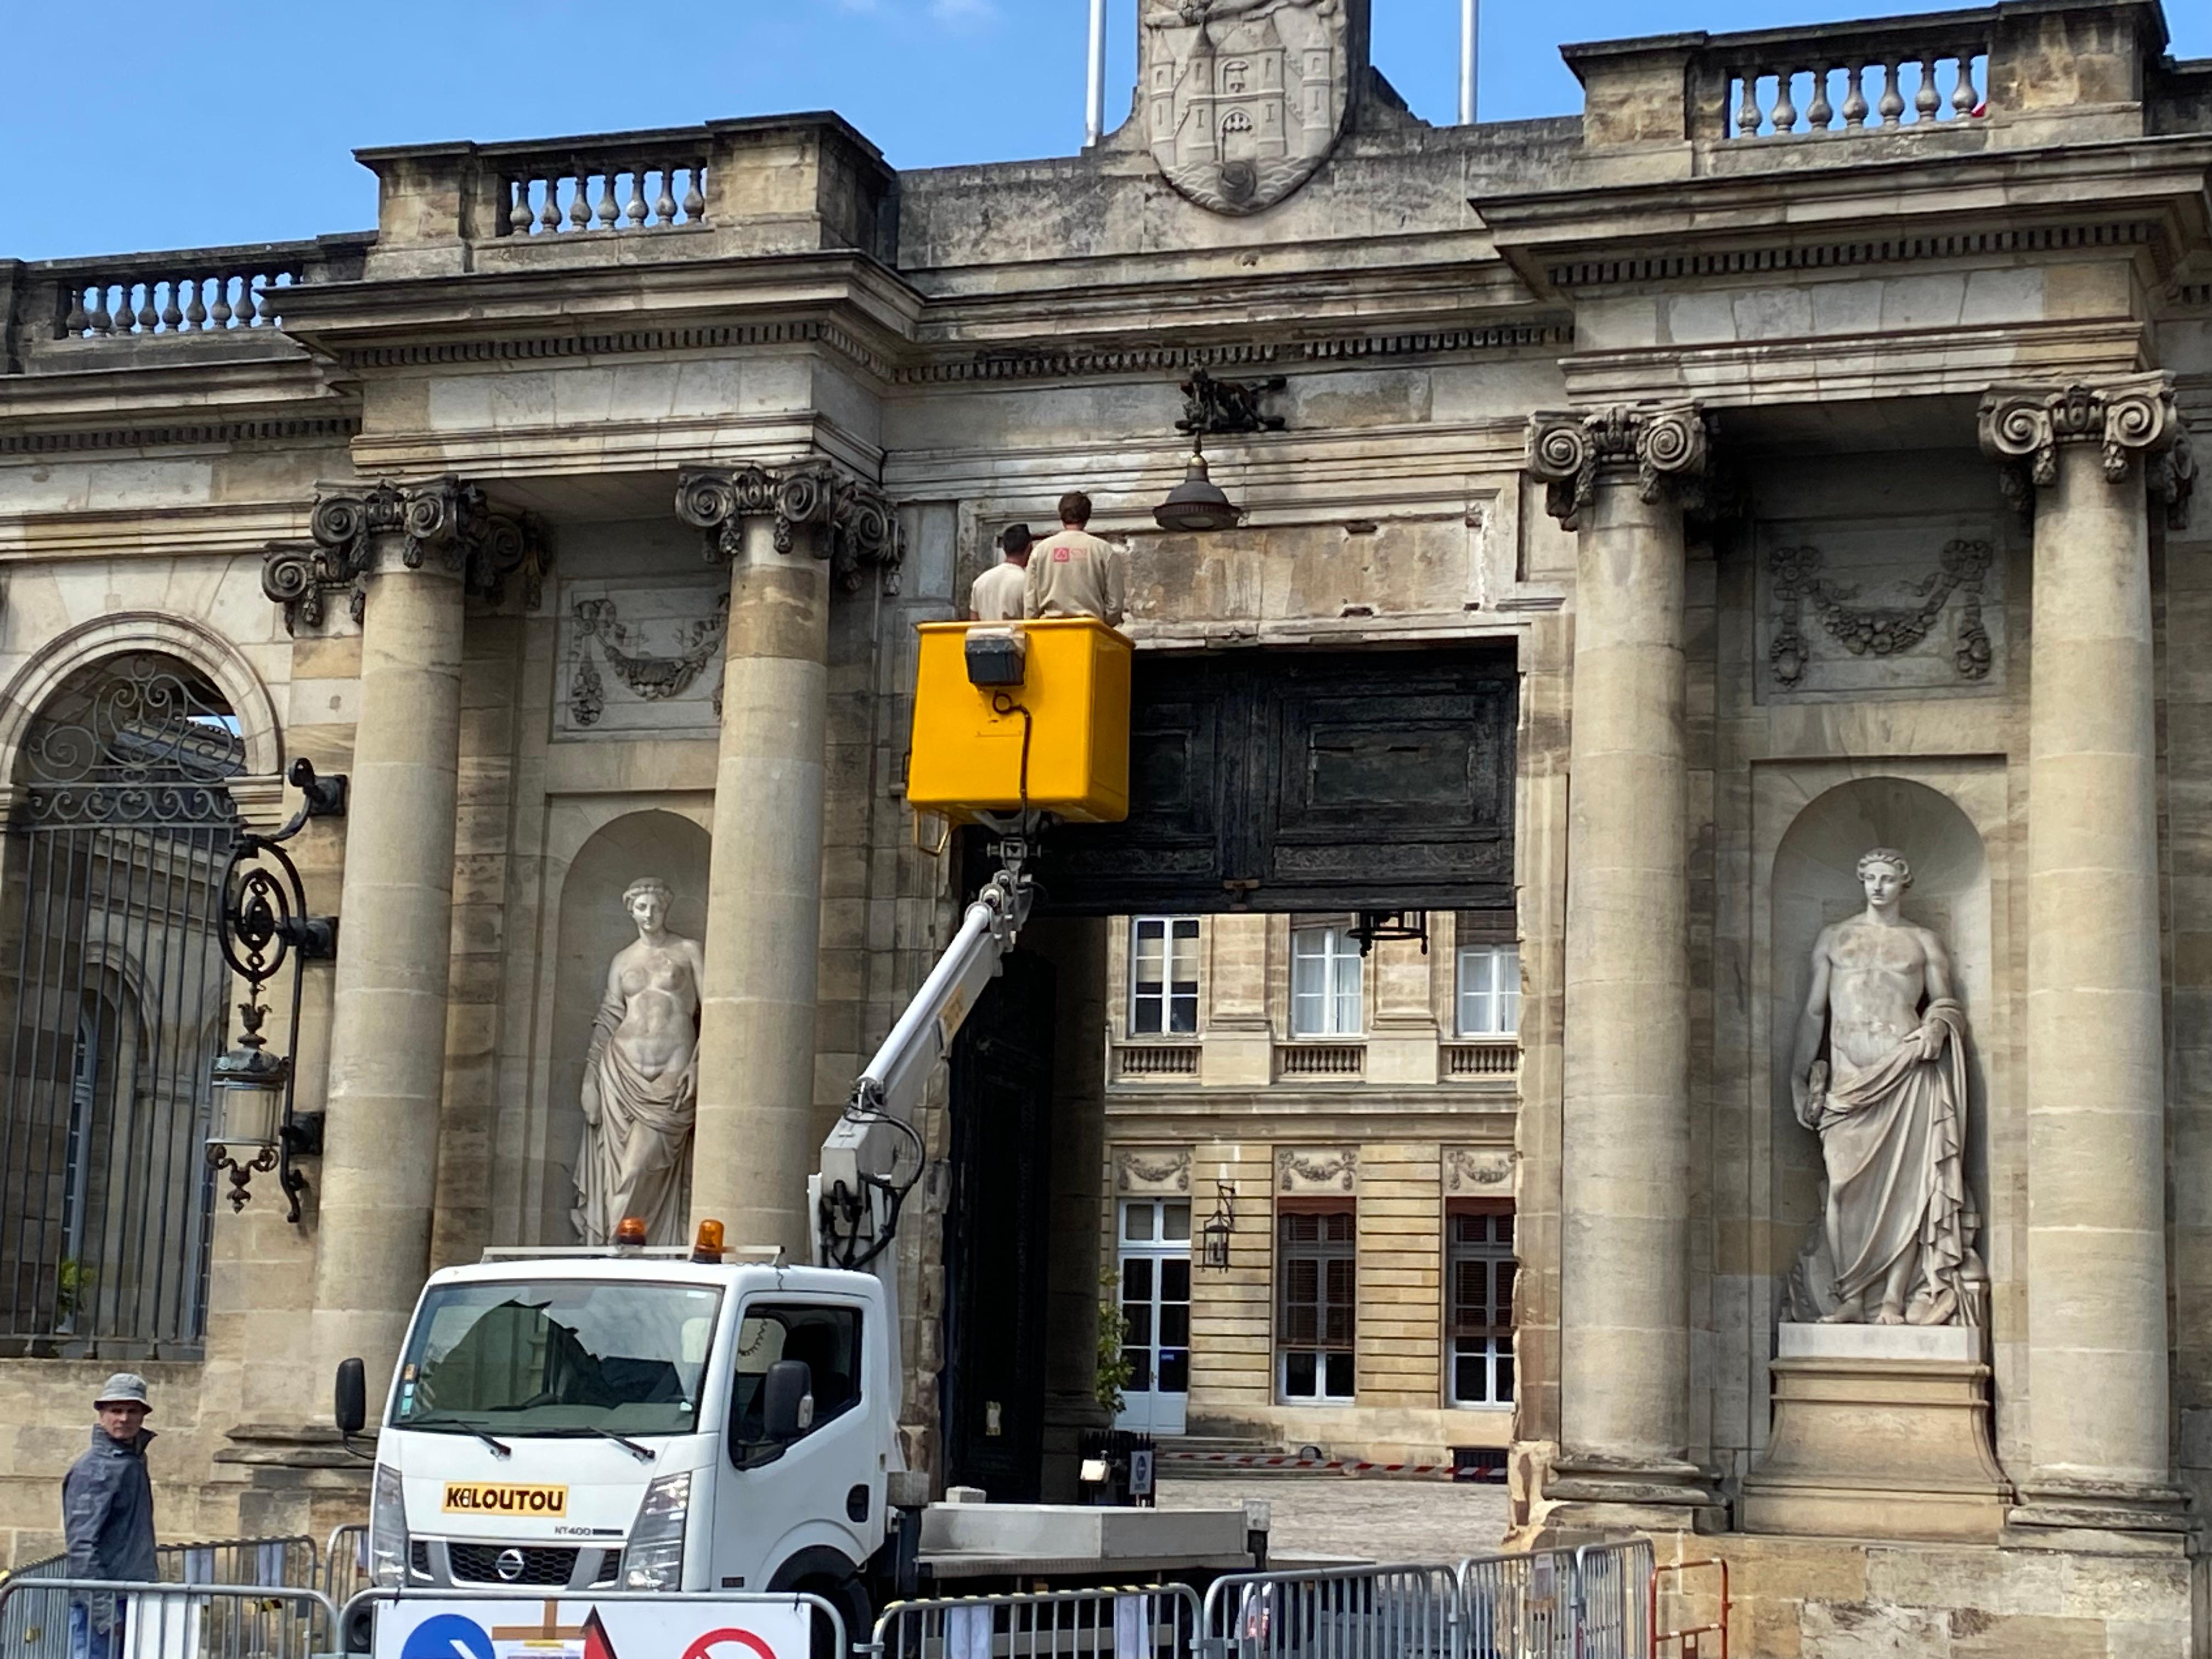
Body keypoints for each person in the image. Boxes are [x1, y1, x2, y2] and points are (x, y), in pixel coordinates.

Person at [1786, 848, 1979, 1327]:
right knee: (1842, 1188)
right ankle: (1851, 1294)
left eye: (1887, 879)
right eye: (1870, 878)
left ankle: (1892, 1300)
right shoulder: (1835, 938)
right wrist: (1800, 1072)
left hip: (1908, 1073)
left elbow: (1947, 1004)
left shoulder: (1923, 942)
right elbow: (1814, 1013)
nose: (1877, 887)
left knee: (1908, 1191)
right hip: (1851, 1080)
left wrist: (1937, 1025)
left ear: (1903, 884)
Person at [573, 876, 703, 1246]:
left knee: (636, 1168)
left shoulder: (688, 950)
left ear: (667, 907)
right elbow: (608, 1021)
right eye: (642, 907)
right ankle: (619, 1250)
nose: (650, 914)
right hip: (620, 1073)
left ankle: (611, 1254)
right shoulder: (622, 960)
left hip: (672, 1071)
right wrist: (589, 1081)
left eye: (656, 907)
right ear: (630, 910)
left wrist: (699, 1063)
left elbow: (717, 1011)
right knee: (621, 1172)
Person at [63, 1373, 158, 1659]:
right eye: (116, 1410)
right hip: (106, 1599)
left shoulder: (132, 1460)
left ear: (143, 1416)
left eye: (132, 1411)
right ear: (102, 1414)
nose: (123, 1419)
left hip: (131, 1594)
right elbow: (81, 1545)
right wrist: (104, 1612)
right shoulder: (95, 1468)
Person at [1024, 492, 1127, 627]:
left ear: (1061, 515)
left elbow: (1030, 604)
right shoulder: (1103, 550)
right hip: (1091, 630)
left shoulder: (1041, 551)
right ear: (1088, 517)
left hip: (1048, 631)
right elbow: (1115, 605)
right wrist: (1103, 625)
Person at [969, 523, 1034, 622]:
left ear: (1004, 548)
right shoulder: (1028, 582)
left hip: (984, 635)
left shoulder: (980, 582)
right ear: (1030, 548)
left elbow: (973, 621)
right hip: (1015, 636)